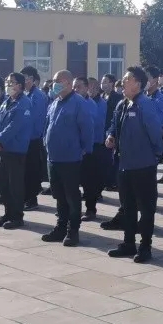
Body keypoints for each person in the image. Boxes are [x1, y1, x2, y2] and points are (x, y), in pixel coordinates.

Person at [105, 66, 163, 263]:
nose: (123, 82)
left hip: (143, 165)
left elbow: (156, 133)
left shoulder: (145, 105)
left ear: (138, 84)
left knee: (146, 209)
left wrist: (155, 155)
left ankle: (145, 247)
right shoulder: (122, 104)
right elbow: (113, 126)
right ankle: (128, 243)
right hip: (124, 164)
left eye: (127, 79)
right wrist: (110, 136)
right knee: (127, 206)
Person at [41, 70, 95, 245]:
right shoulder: (55, 102)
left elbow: (87, 129)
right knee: (59, 195)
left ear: (68, 83)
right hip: (53, 157)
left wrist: (85, 149)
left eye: (58, 81)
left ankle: (73, 230)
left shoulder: (79, 103)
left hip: (70, 158)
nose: (54, 84)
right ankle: (60, 227)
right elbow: (48, 125)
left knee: (71, 195)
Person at [0, 72, 34, 229]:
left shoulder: (24, 103)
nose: (8, 85)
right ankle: (8, 213)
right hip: (2, 149)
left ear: (20, 85)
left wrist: (0, 139)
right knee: (3, 185)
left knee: (14, 185)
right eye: (7, 82)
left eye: (11, 82)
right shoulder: (6, 101)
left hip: (15, 149)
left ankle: (17, 216)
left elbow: (15, 126)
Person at [20, 66, 48, 210]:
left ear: (31, 79)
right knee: (24, 170)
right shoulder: (26, 94)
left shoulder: (38, 96)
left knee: (32, 170)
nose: (22, 81)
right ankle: (25, 197)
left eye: (24, 78)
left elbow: (33, 117)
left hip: (33, 138)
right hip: (24, 138)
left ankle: (32, 199)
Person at [82, 77, 110, 220]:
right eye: (89, 87)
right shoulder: (81, 102)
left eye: (93, 87)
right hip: (82, 145)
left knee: (91, 179)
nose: (91, 90)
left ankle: (91, 208)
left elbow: (95, 123)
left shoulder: (99, 103)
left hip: (95, 144)